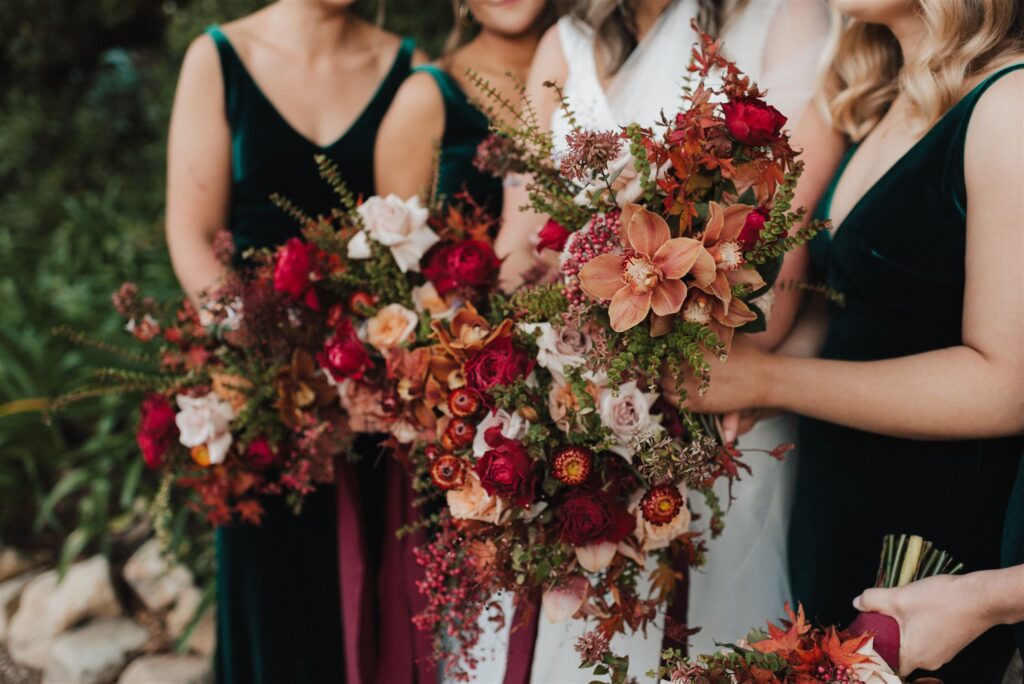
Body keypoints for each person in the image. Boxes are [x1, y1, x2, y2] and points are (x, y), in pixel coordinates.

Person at [662, 0, 1024, 680]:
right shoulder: (880, 94)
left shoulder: (1010, 105)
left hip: (928, 551)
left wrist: (769, 381)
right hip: (836, 508)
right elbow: (855, 310)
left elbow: (1006, 384)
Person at [494, 0, 837, 674]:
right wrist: (564, 375)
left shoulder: (786, 19)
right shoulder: (564, 44)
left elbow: (783, 254)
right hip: (574, 414)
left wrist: (663, 374)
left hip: (716, 409)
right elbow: (517, 241)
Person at [164, 1, 423, 681]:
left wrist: (363, 366)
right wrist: (265, 356)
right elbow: (191, 235)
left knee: (375, 620)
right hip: (265, 407)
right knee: (276, 621)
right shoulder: (217, 59)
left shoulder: (410, 69)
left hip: (374, 401)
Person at [373, 0, 555, 681]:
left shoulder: (602, 74)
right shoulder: (431, 96)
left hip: (584, 403)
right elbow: (389, 276)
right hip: (463, 419)